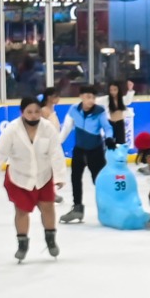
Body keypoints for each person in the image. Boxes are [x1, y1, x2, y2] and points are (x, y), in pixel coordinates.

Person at [0, 94, 66, 262]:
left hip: (43, 175)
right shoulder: (12, 129)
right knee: (21, 210)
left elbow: (56, 153)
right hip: (19, 177)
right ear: (22, 112)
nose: (33, 115)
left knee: (48, 207)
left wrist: (60, 176)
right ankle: (22, 244)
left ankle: (51, 240)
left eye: (37, 111)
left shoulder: (48, 128)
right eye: (29, 112)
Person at [59, 88, 111, 222]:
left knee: (99, 180)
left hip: (96, 151)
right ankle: (77, 208)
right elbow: (66, 128)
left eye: (93, 97)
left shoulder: (99, 111)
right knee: (75, 178)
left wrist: (109, 138)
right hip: (79, 150)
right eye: (88, 97)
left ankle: (109, 207)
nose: (91, 100)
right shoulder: (74, 110)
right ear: (81, 96)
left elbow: (107, 127)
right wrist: (57, 143)